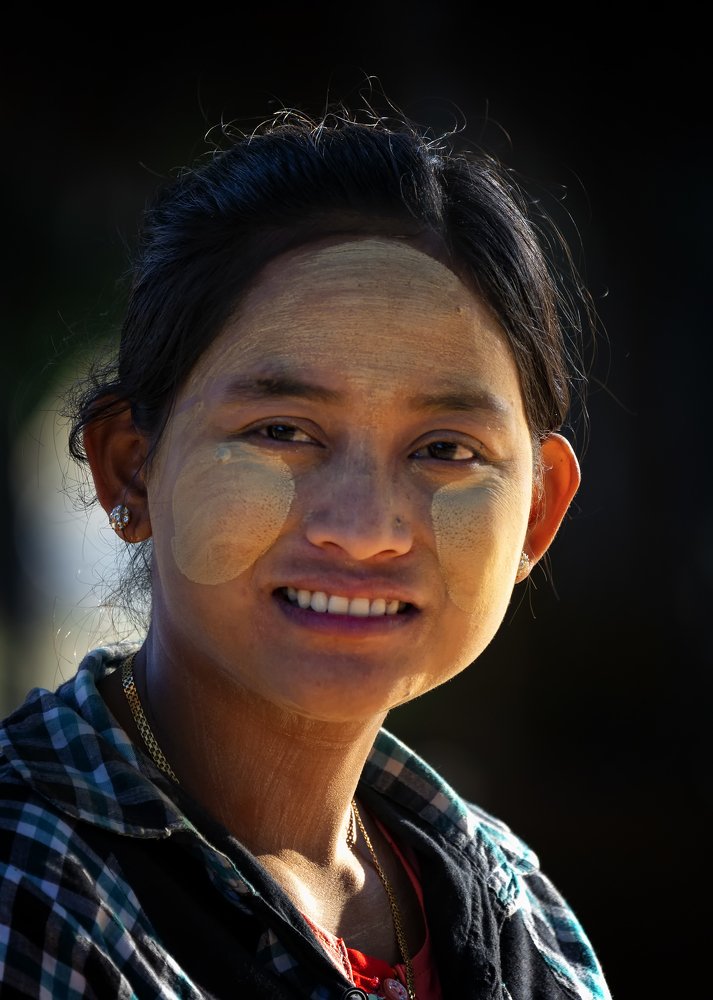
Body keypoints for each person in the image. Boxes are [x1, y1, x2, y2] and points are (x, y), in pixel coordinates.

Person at [0, 99, 611, 1000]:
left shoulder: (518, 908)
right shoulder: (32, 884)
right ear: (131, 467)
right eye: (282, 430)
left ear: (536, 512)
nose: (363, 528)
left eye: (444, 448)